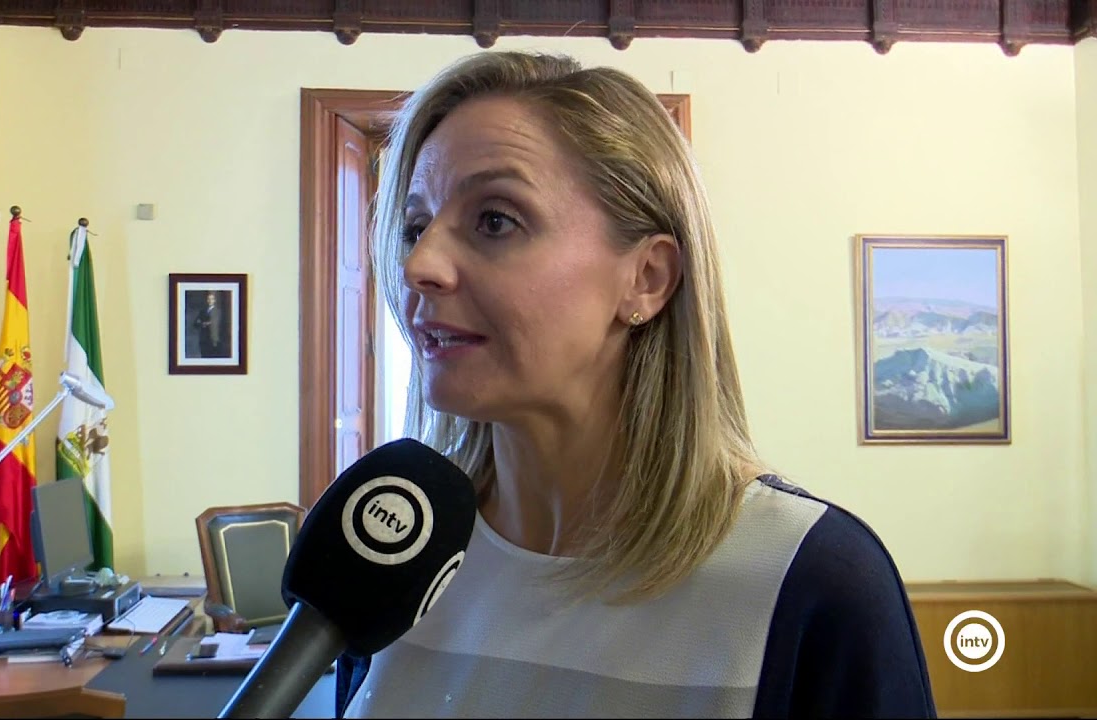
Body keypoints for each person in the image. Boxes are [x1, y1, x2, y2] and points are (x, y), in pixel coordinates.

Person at [334, 50, 936, 719]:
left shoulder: (810, 581)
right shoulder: (392, 560)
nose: (419, 264)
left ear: (647, 278)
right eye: (415, 226)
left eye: (495, 220)